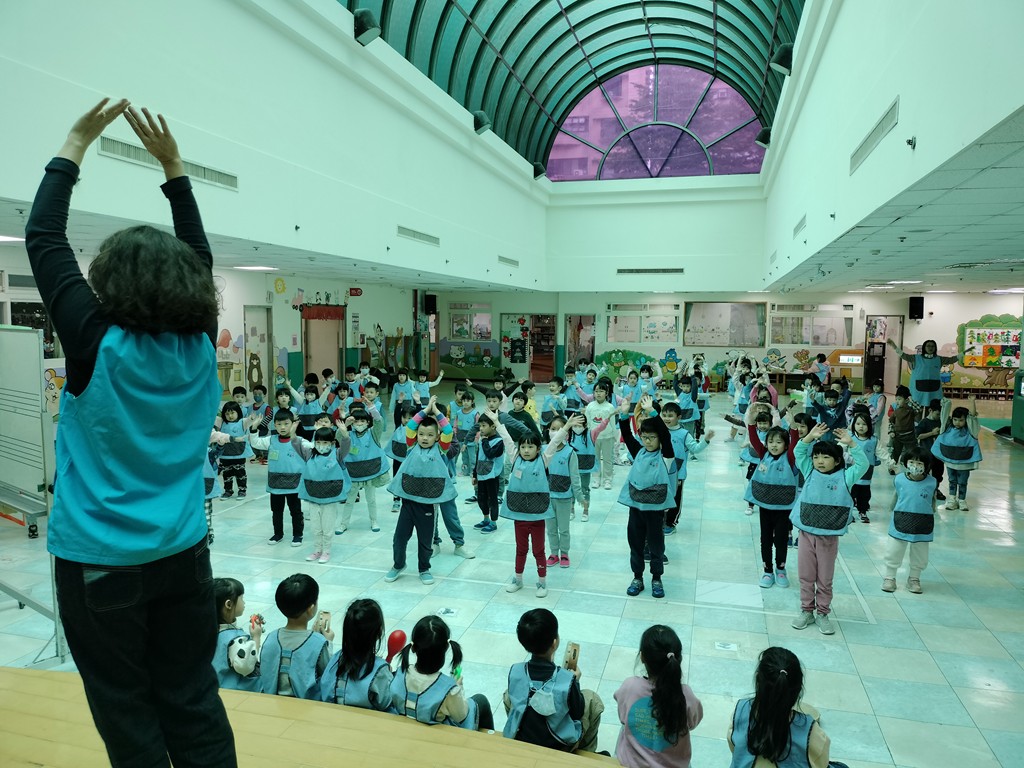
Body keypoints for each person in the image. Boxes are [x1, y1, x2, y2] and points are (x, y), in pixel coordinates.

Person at [25, 99, 237, 766]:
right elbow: (198, 255)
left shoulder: (95, 344)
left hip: (98, 562)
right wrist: (173, 169)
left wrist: (75, 143)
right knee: (192, 698)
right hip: (183, 553)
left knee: (126, 709)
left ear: (109, 284)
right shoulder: (201, 345)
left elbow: (45, 237)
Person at [790, 425, 868, 635]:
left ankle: (823, 614)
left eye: (826, 457)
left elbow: (863, 463)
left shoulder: (846, 477)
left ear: (838, 460)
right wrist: (809, 437)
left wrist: (852, 443)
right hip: (806, 533)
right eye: (816, 457)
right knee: (806, 576)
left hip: (828, 538)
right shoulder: (809, 471)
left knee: (825, 578)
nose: (820, 461)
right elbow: (798, 452)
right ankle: (807, 611)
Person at [503, 608, 604, 752]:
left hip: (524, 738)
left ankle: (517, 729)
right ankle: (586, 751)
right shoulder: (567, 679)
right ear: (555, 643)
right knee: (591, 699)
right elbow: (577, 713)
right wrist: (575, 682)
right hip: (559, 743)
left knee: (508, 694)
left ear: (523, 642)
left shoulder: (515, 671)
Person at [728, 647, 845, 768]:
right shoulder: (812, 732)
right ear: (798, 690)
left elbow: (734, 747)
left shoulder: (739, 712)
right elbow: (822, 763)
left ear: (758, 681)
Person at [385, 398, 457, 584]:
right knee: (399, 538)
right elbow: (410, 426)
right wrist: (425, 410)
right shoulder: (411, 446)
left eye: (430, 435)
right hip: (408, 503)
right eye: (422, 434)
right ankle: (398, 564)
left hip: (428, 505)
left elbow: (448, 431)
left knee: (425, 541)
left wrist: (436, 412)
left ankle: (424, 568)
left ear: (437, 437)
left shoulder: (441, 449)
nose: (425, 438)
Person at [614, 624, 703, 768]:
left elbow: (623, 717)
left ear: (642, 657)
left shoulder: (630, 687)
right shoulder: (686, 695)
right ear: (678, 659)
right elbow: (693, 723)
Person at [618, 398, 677, 599]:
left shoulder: (665, 455)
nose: (648, 441)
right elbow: (627, 435)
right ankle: (637, 578)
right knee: (635, 544)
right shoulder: (639, 451)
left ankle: (657, 578)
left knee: (656, 546)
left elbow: (666, 435)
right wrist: (624, 414)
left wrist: (652, 411)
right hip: (636, 508)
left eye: (652, 437)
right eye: (644, 437)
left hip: (655, 511)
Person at [391, 615, 494, 730]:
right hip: (434, 735)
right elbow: (461, 716)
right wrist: (458, 687)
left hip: (404, 728)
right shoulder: (449, 689)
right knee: (481, 700)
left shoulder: (399, 674)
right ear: (446, 648)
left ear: (413, 647)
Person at [744, 417, 798, 590]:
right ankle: (767, 570)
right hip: (765, 506)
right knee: (765, 540)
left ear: (786, 445)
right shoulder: (763, 454)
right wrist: (751, 423)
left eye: (779, 442)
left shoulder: (790, 458)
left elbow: (795, 444)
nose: (774, 445)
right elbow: (754, 439)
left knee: (781, 540)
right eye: (771, 442)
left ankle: (781, 569)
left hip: (784, 508)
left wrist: (794, 429)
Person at [260, 574, 334, 699]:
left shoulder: (271, 638)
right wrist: (328, 642)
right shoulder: (319, 642)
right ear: (311, 609)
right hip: (306, 707)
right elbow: (329, 675)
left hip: (271, 702)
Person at [501, 433, 555, 597]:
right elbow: (507, 440)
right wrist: (497, 422)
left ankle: (542, 583)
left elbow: (555, 442)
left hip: (537, 516)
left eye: (530, 447)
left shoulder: (543, 460)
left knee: (539, 551)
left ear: (538, 449)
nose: (526, 450)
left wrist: (567, 426)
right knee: (521, 549)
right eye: (523, 447)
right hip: (520, 516)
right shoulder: (515, 458)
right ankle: (518, 580)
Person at [319, 599, 396, 712]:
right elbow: (387, 704)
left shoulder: (335, 659)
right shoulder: (380, 671)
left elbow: (325, 691)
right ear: (379, 633)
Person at [882, 447, 937, 594]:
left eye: (919, 463)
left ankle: (914, 578)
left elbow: (933, 502)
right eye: (911, 462)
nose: (915, 466)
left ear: (926, 465)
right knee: (894, 549)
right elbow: (895, 497)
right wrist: (891, 509)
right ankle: (890, 577)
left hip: (923, 522)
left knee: (920, 551)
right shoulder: (899, 479)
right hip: (901, 519)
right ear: (906, 463)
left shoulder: (932, 482)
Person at [296, 426, 352, 564]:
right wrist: (292, 433)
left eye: (325, 442)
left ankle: (326, 551)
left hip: (330, 498)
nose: (321, 445)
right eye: (318, 442)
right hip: (313, 496)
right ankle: (317, 550)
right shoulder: (310, 454)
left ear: (332, 443)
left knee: (327, 527)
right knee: (315, 527)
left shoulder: (337, 454)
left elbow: (346, 446)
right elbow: (296, 445)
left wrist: (345, 435)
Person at [249, 409, 305, 545]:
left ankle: (298, 535)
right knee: (276, 511)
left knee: (295, 511)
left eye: (286, 424)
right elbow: (255, 443)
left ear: (293, 424)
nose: (283, 427)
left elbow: (314, 449)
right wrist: (254, 428)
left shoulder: (299, 441)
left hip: (294, 484)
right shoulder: (271, 440)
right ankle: (278, 534)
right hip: (275, 484)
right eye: (279, 424)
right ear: (274, 425)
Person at [660, 400, 713, 533]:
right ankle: (659, 520)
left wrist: (706, 440)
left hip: (677, 474)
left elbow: (695, 448)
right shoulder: (660, 431)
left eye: (670, 416)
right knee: (661, 495)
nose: (666, 418)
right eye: (664, 415)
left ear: (678, 417)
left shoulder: (684, 434)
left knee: (675, 498)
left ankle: (671, 522)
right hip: (660, 471)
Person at [339, 407, 389, 533]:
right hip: (353, 473)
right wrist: (345, 425)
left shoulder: (373, 433)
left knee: (371, 499)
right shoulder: (348, 435)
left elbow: (379, 422)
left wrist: (372, 408)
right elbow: (338, 437)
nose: (359, 424)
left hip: (370, 472)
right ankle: (344, 524)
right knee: (349, 501)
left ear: (368, 422)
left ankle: (374, 521)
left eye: (362, 421)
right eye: (356, 421)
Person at [544, 415, 585, 567]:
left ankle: (565, 554)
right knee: (551, 529)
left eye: (559, 429)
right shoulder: (544, 451)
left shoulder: (570, 453)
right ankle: (554, 553)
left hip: (564, 498)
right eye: (553, 429)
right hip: (547, 499)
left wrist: (579, 497)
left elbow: (575, 477)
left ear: (565, 433)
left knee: (564, 529)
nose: (555, 432)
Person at [932, 396, 982, 511]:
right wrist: (946, 404)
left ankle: (962, 500)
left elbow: (973, 417)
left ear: (966, 420)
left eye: (961, 420)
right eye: (955, 419)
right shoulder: (947, 428)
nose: (957, 422)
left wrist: (972, 402)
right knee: (952, 480)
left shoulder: (971, 431)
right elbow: (944, 415)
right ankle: (952, 499)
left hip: (964, 462)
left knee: (963, 482)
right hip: (950, 460)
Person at [212, 578, 262, 692]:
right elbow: (246, 666)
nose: (244, 603)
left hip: (216, 687)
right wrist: (256, 637)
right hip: (237, 693)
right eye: (242, 599)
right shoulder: (234, 639)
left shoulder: (207, 630)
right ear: (229, 604)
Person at [472, 410, 515, 532]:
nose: (481, 428)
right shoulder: (482, 440)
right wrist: (474, 474)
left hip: (492, 476)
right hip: (481, 474)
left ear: (493, 427)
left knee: (492, 500)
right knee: (481, 498)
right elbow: (478, 457)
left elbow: (490, 454)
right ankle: (485, 519)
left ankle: (493, 522)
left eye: (484, 426)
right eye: (480, 426)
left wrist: (485, 441)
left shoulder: (499, 441)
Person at [887, 337, 958, 409]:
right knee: (917, 409)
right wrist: (894, 346)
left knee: (932, 407)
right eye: (928, 346)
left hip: (933, 388)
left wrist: (963, 354)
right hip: (918, 389)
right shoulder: (915, 358)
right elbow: (904, 355)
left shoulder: (939, 359)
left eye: (933, 346)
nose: (930, 348)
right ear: (924, 347)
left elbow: (952, 359)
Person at [582, 381, 618, 489]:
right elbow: (587, 422)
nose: (598, 393)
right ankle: (596, 478)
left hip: (607, 437)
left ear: (606, 393)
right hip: (594, 438)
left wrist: (615, 436)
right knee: (595, 458)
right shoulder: (590, 406)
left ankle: (607, 479)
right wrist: (587, 436)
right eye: (596, 391)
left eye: (601, 391)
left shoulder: (610, 407)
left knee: (608, 459)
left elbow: (613, 423)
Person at [848, 412, 879, 524]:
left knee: (864, 494)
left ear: (869, 426)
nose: (861, 427)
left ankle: (863, 511)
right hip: (852, 471)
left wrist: (891, 463)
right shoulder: (850, 438)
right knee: (850, 493)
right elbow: (840, 449)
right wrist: (847, 458)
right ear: (853, 425)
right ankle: (849, 513)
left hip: (867, 472)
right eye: (858, 424)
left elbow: (881, 452)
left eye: (864, 424)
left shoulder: (873, 440)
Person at [217, 401, 253, 498]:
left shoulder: (242, 422)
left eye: (232, 413)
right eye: (227, 414)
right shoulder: (221, 422)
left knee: (240, 473)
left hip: (239, 454)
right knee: (226, 474)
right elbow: (212, 418)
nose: (230, 416)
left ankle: (242, 490)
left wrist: (252, 418)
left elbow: (249, 420)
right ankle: (228, 491)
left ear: (238, 412)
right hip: (225, 454)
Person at [384, 405, 415, 514]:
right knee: (396, 478)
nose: (406, 420)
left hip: (409, 460)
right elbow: (397, 415)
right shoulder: (398, 426)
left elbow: (421, 416)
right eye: (404, 417)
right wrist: (399, 402)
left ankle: (408, 499)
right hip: (397, 459)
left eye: (410, 418)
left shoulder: (416, 429)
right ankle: (396, 500)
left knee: (409, 479)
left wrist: (418, 403)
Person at [914, 399, 946, 500]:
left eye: (941, 414)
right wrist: (932, 433)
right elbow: (918, 436)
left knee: (938, 473)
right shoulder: (924, 422)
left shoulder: (941, 422)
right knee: (925, 472)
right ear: (930, 410)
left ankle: (936, 489)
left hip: (939, 454)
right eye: (937, 414)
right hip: (927, 453)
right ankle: (923, 489)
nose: (939, 416)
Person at [887, 385, 919, 471]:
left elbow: (918, 409)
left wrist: (911, 400)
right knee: (895, 453)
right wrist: (891, 431)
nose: (897, 401)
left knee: (911, 453)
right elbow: (891, 422)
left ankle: (910, 469)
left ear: (906, 400)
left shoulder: (911, 410)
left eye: (899, 399)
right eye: (896, 399)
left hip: (910, 437)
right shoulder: (896, 411)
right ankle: (892, 467)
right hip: (898, 437)